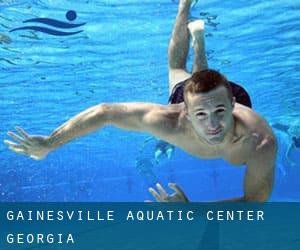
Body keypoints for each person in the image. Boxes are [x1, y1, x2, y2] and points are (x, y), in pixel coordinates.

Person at [4, 0, 277, 202]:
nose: (214, 124)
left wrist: (192, 210)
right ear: (184, 110)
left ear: (232, 105)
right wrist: (50, 142)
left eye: (220, 111)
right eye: (201, 115)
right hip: (202, 96)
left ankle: (199, 43)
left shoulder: (260, 140)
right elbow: (105, 112)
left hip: (224, 98)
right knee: (177, 71)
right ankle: (185, 6)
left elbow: (255, 202)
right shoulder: (170, 120)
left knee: (186, 75)